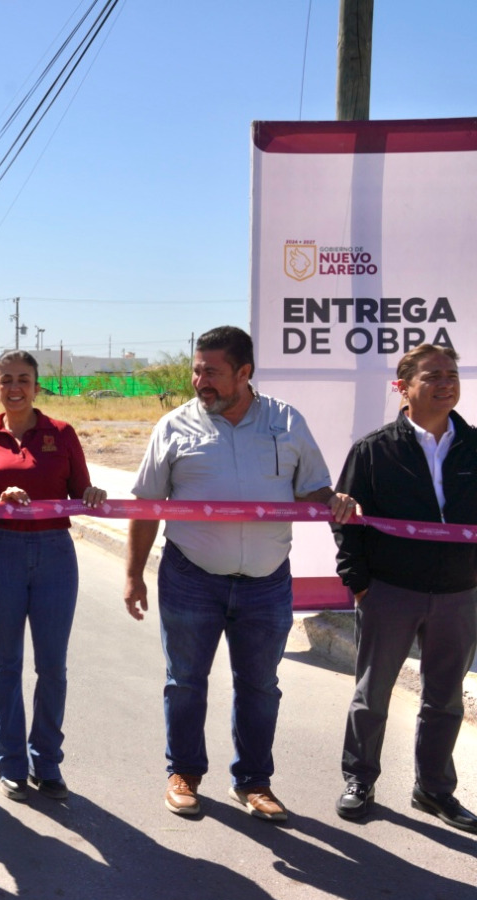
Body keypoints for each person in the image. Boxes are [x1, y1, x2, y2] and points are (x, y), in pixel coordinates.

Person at [125, 326, 354, 821]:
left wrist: (332, 499)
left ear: (244, 372)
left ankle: (252, 782)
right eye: (196, 371)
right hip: (191, 577)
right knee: (185, 682)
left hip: (267, 582)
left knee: (260, 687)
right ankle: (184, 773)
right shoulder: (174, 426)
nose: (199, 381)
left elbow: (312, 489)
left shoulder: (286, 422)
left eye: (211, 372)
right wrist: (133, 575)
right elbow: (146, 505)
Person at [333, 343, 477, 832]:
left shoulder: (473, 446)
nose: (446, 383)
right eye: (433, 375)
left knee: (446, 699)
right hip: (390, 591)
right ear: (404, 387)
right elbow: (346, 520)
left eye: (452, 374)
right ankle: (359, 779)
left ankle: (433, 789)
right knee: (372, 694)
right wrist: (360, 585)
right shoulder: (374, 450)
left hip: (458, 594)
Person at [0, 350, 107, 801]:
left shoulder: (61, 434)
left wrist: (92, 493)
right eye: (6, 380)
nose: (15, 388)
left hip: (54, 555)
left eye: (23, 379)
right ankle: (10, 763)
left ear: (36, 384)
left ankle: (46, 762)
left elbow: (80, 490)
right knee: (7, 663)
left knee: (52, 666)